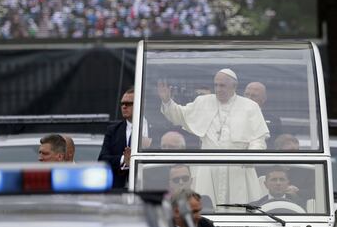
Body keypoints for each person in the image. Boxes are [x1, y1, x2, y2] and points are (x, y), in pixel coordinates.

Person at [158, 69, 269, 205]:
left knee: (238, 209)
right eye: (216, 85)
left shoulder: (250, 107)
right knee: (206, 208)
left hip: (238, 168)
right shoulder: (203, 102)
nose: (218, 89)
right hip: (208, 166)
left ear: (234, 86)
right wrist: (167, 101)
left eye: (222, 85)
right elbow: (180, 115)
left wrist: (250, 156)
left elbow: (258, 138)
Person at [98, 87, 134, 188]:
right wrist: (123, 159)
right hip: (118, 190)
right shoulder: (113, 130)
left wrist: (134, 159)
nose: (124, 107)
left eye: (128, 103)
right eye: (122, 104)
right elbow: (102, 159)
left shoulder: (150, 129)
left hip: (145, 188)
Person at [244, 82, 282, 148]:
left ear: (263, 99)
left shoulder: (274, 120)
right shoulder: (231, 115)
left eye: (254, 96)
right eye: (247, 95)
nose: (249, 99)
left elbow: (275, 146)